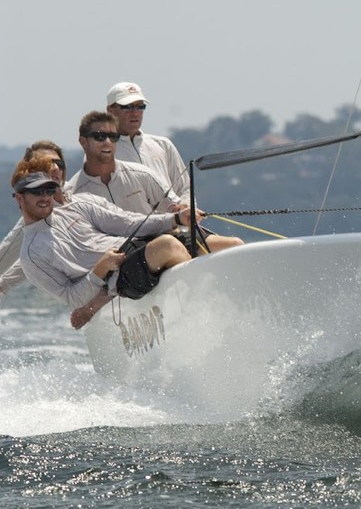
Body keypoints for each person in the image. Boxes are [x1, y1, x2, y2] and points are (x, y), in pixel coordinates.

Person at [12, 165, 197, 326]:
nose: (45, 197)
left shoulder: (77, 207)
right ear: (20, 199)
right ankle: (199, 307)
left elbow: (128, 223)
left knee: (208, 241)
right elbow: (72, 298)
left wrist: (176, 219)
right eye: (37, 192)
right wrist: (100, 269)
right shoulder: (30, 256)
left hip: (139, 248)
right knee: (168, 245)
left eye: (48, 190)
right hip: (120, 276)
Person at [66, 110, 242, 253]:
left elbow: (174, 206)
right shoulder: (74, 192)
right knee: (170, 248)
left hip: (164, 239)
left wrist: (184, 211)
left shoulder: (141, 174)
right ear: (83, 142)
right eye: (99, 136)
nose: (107, 142)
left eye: (113, 137)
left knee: (235, 245)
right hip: (121, 257)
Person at [0, 142, 70, 297]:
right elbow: (17, 254)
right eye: (46, 164)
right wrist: (3, 285)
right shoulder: (36, 215)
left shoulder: (78, 191)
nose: (55, 168)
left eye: (59, 163)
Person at [106, 81, 190, 202]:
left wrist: (187, 212)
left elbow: (185, 189)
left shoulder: (163, 145)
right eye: (128, 107)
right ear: (110, 110)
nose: (135, 113)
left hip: (174, 220)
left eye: (140, 106)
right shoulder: (103, 152)